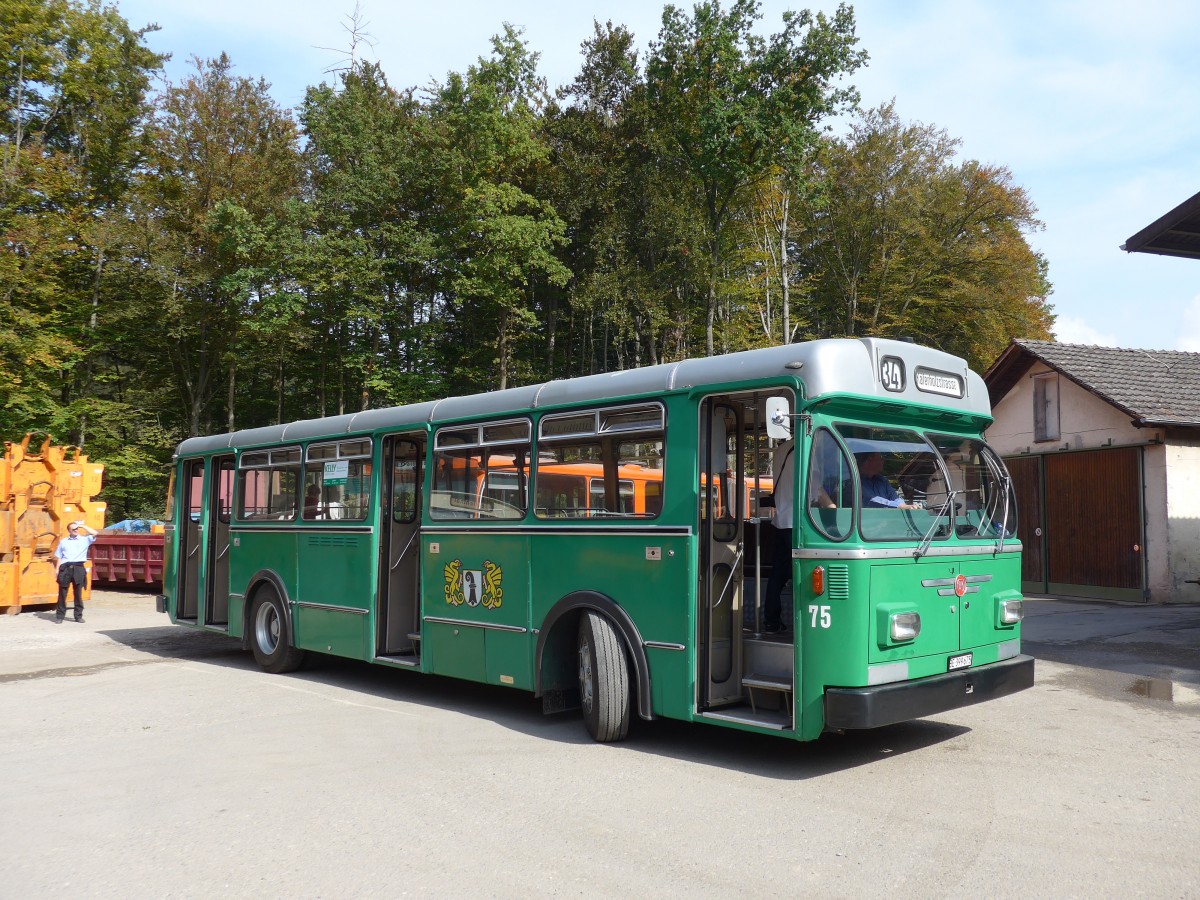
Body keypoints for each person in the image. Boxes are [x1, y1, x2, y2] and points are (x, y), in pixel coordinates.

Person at [762, 439, 796, 634]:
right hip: (798, 522)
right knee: (802, 573)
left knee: (778, 574)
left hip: (781, 520)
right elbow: (815, 488)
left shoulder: (781, 449)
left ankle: (771, 621)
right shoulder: (810, 443)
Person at [55, 520, 96, 623]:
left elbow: (95, 533)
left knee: (78, 593)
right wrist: (57, 570)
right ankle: (60, 616)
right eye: (73, 529)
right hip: (65, 568)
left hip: (78, 568)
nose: (76, 530)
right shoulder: (64, 541)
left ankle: (78, 616)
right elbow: (59, 557)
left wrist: (83, 526)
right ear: (69, 530)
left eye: (77, 528)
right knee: (62, 593)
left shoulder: (85, 540)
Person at [856, 452, 921, 509]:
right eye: (880, 458)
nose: (883, 461)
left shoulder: (882, 480)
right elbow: (871, 500)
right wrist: (900, 506)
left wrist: (904, 505)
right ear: (869, 459)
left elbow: (894, 497)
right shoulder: (855, 481)